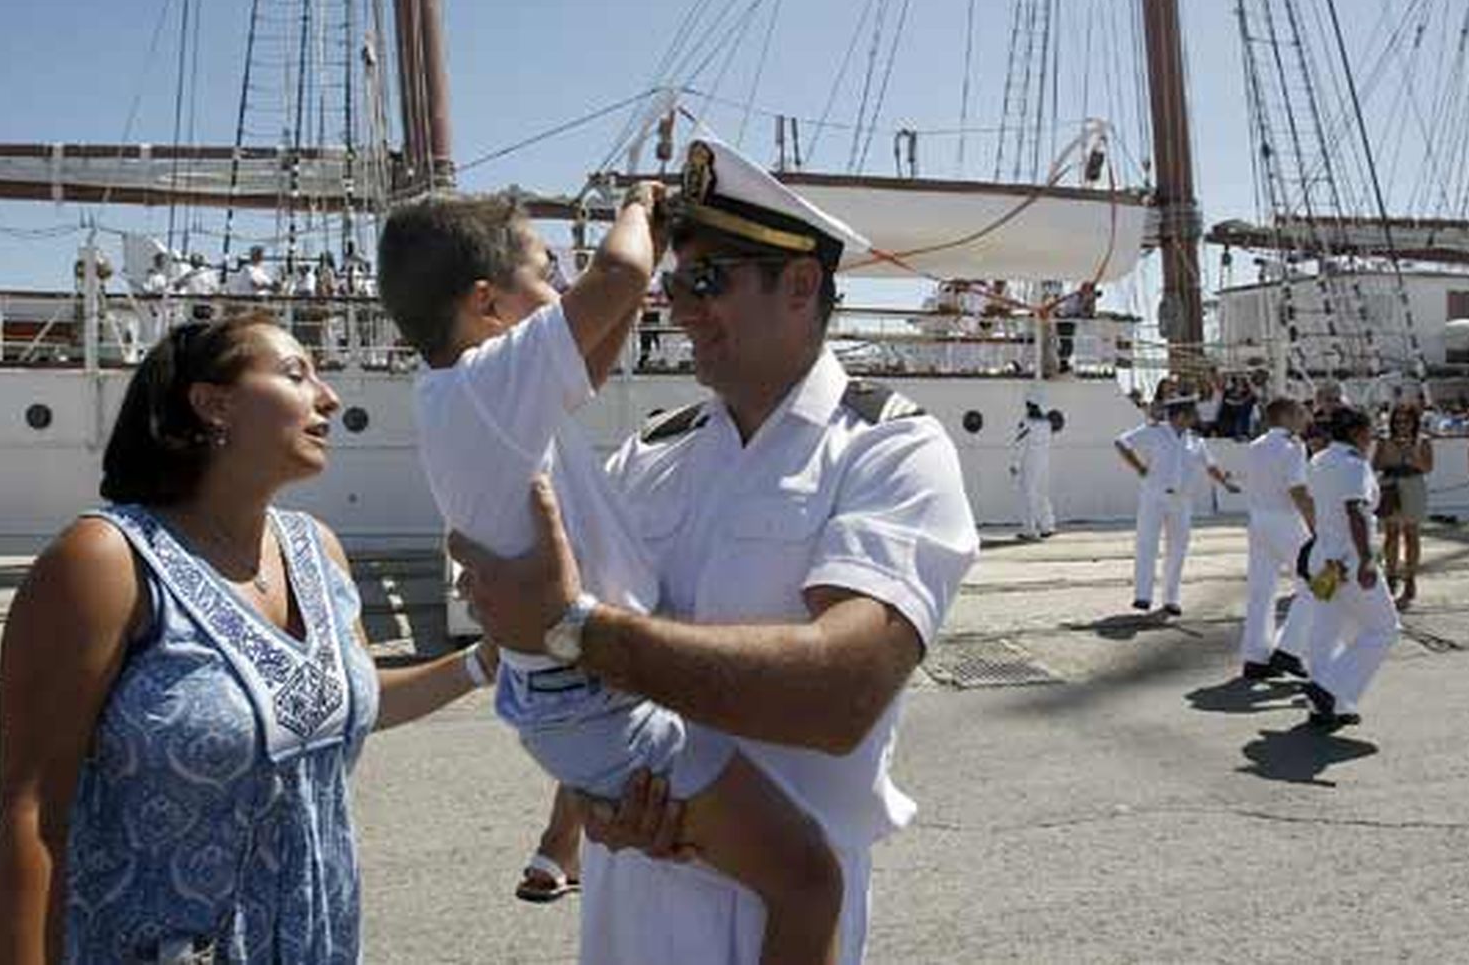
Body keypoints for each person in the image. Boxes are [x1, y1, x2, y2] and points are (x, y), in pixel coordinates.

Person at [448, 137, 979, 965]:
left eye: (708, 281)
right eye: (671, 282)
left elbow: (843, 691)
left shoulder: (889, 450)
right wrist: (595, 797)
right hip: (631, 894)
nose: (680, 308)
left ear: (800, 285)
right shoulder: (651, 453)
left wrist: (575, 630)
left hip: (777, 920)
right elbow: (575, 685)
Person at [376, 183, 846, 964]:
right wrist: (640, 210)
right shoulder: (485, 385)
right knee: (806, 880)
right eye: (545, 271)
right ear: (488, 304)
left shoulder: (470, 398)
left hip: (571, 697)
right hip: (593, 697)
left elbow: (593, 356)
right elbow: (620, 280)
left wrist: (649, 253)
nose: (563, 288)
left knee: (766, 865)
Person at [0, 313, 497, 962]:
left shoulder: (318, 550)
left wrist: (483, 660)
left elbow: (336, 703)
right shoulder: (104, 562)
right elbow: (32, 815)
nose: (330, 396)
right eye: (294, 374)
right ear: (213, 404)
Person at [1301, 406, 1401, 729]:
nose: (1373, 437)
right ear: (1358, 433)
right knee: (1385, 628)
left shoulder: (1318, 460)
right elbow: (1355, 510)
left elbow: (1327, 505)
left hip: (1324, 558)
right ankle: (1328, 689)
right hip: (1349, 560)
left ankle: (1325, 708)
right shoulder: (1353, 464)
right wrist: (1368, 560)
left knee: (1326, 629)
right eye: (1371, 431)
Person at [1115, 394, 1241, 615]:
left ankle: (1170, 598)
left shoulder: (1195, 440)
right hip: (1154, 496)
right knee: (1147, 545)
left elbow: (1210, 465)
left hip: (1182, 499)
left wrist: (1225, 483)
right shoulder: (1153, 432)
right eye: (1193, 414)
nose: (1197, 418)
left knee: (1177, 550)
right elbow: (1122, 442)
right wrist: (1139, 467)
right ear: (1181, 415)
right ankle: (1142, 595)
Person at [1239, 397, 1315, 680]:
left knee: (1261, 592)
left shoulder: (1255, 445)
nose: (1304, 418)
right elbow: (1298, 491)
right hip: (1286, 520)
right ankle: (1289, 649)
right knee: (1316, 584)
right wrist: (1317, 527)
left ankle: (1255, 658)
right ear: (1285, 416)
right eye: (1299, 413)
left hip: (1259, 521)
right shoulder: (1293, 446)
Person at [1374, 402, 1434, 609]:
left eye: (1406, 421)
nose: (1401, 426)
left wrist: (1411, 454)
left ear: (1414, 422)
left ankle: (1410, 578)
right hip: (1390, 484)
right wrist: (1391, 454)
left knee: (1411, 534)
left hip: (1414, 483)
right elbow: (1375, 465)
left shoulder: (1423, 441)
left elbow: (1428, 467)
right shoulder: (1384, 440)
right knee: (1391, 534)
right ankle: (1391, 575)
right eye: (1397, 421)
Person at [1010, 392, 1056, 540]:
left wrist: (1015, 464)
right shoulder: (1047, 423)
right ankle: (1047, 526)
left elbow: (1020, 445)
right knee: (1042, 493)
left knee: (1028, 495)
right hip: (1044, 462)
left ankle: (1029, 530)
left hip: (1030, 463)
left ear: (1028, 406)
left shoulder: (1026, 423)